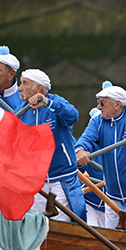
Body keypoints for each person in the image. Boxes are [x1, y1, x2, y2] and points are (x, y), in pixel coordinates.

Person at [75, 81, 126, 231]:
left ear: (117, 104)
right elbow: (86, 138)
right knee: (111, 236)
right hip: (112, 192)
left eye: (102, 103)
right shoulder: (98, 121)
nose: (99, 107)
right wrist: (80, 150)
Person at [18, 69, 87, 222]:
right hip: (35, 180)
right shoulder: (21, 110)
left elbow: (73, 115)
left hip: (60, 179)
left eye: (24, 83)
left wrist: (47, 103)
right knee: (33, 224)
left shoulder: (55, 102)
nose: (19, 88)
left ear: (39, 89)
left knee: (62, 224)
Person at [80, 108, 105, 228]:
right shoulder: (87, 147)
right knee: (91, 231)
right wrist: (80, 172)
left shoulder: (119, 146)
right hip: (89, 201)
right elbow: (76, 167)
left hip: (113, 205)